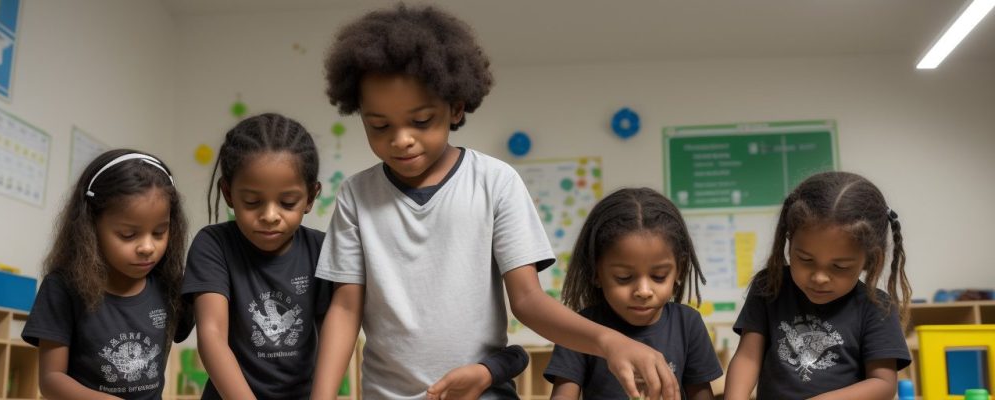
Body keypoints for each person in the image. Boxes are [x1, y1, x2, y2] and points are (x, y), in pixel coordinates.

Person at [312, 4, 680, 399]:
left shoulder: (495, 181)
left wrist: (611, 342)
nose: (401, 139)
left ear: (454, 108)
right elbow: (346, 310)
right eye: (380, 125)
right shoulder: (356, 195)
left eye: (421, 121)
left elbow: (527, 300)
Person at [724, 171, 912, 400]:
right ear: (789, 241)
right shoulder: (770, 285)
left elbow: (882, 384)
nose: (820, 277)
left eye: (840, 267)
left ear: (871, 260)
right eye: (805, 260)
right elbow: (747, 358)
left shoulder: (877, 306)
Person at [182, 113, 332, 399]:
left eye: (287, 203)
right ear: (228, 193)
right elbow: (211, 336)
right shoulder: (213, 245)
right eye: (252, 202)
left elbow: (331, 338)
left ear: (311, 198)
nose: (270, 216)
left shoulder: (321, 250)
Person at [23, 149, 191, 399]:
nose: (147, 247)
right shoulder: (62, 287)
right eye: (128, 234)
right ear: (90, 227)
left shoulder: (169, 285)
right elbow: (51, 380)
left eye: (159, 232)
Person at [544, 188, 722, 400]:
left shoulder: (688, 323)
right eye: (623, 277)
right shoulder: (580, 328)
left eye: (659, 276)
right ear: (596, 272)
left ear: (679, 270)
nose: (643, 292)